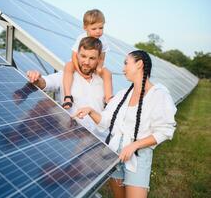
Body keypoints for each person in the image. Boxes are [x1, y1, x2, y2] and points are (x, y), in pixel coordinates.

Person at [74, 50, 177, 198]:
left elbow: (165, 131)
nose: (123, 68)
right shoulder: (123, 94)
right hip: (114, 155)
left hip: (137, 157)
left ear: (139, 64)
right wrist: (91, 111)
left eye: (126, 63)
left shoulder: (158, 94)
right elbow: (106, 120)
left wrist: (134, 145)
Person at [27, 37, 110, 140]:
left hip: (100, 140)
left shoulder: (103, 80)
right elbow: (46, 83)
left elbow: (108, 110)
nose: (86, 62)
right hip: (72, 140)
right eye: (83, 56)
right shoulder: (66, 75)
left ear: (98, 59)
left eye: (92, 58)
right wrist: (37, 79)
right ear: (77, 55)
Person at [62, 9, 113, 109]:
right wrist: (79, 71)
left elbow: (102, 57)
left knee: (107, 73)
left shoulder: (103, 41)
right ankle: (67, 96)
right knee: (68, 66)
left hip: (95, 63)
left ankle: (108, 99)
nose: (98, 31)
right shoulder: (81, 38)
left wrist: (98, 67)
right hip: (78, 62)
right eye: (94, 29)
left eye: (101, 28)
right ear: (85, 28)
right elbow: (74, 56)